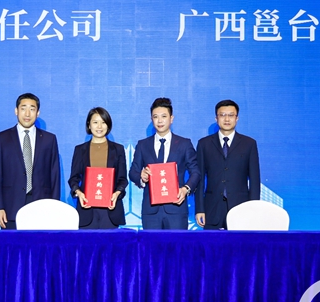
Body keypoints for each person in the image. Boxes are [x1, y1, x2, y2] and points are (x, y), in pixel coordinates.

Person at [0, 93, 61, 230]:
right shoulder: (2, 139)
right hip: (10, 207)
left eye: (32, 109)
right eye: (23, 108)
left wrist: (54, 207)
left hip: (42, 206)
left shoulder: (49, 139)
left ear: (38, 113)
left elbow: (55, 175)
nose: (27, 114)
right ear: (16, 111)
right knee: (12, 244)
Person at [129, 97, 201, 229]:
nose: (160, 120)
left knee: (177, 243)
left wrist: (185, 189)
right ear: (151, 119)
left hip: (176, 209)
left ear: (171, 118)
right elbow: (133, 172)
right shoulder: (143, 145)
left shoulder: (184, 144)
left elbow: (195, 172)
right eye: (155, 117)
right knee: (151, 243)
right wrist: (141, 176)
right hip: (151, 211)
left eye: (164, 116)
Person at [195, 99, 260, 230]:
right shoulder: (204, 144)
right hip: (212, 208)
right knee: (212, 243)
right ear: (216, 118)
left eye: (231, 115)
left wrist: (253, 208)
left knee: (240, 243)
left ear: (237, 118)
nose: (226, 119)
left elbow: (254, 180)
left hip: (241, 207)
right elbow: (199, 180)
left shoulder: (249, 144)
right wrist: (199, 209)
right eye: (222, 115)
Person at [68, 107, 128, 229]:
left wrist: (117, 193)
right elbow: (74, 178)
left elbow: (122, 179)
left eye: (103, 122)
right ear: (89, 125)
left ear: (108, 125)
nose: (99, 126)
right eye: (95, 122)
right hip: (87, 209)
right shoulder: (80, 150)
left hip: (110, 209)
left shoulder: (118, 149)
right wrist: (79, 193)